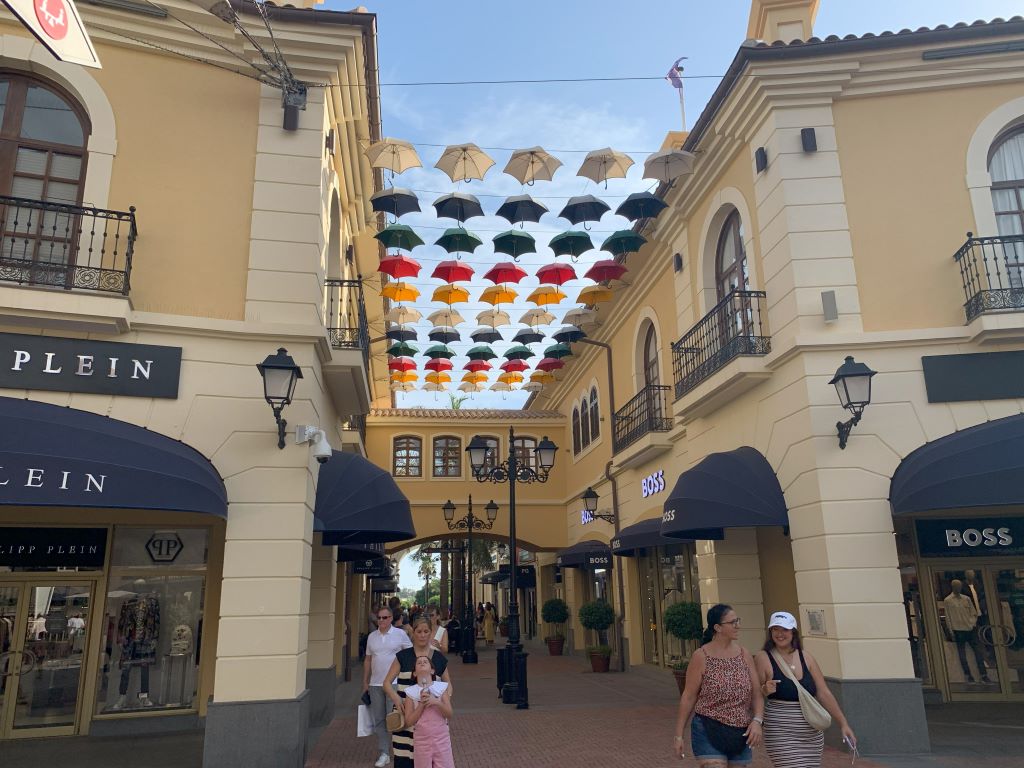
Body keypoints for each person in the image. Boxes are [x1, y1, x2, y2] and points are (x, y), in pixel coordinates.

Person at [754, 611, 856, 768]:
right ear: (770, 632)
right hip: (781, 730)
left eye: (785, 630)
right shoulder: (763, 657)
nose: (780, 634)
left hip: (811, 731)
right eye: (775, 629)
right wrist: (765, 690)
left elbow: (823, 692)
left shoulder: (806, 657)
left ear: (793, 632)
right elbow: (756, 694)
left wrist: (843, 724)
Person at [672, 603, 763, 765]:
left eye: (738, 620)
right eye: (733, 622)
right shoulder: (701, 656)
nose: (738, 626)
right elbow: (688, 696)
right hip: (708, 728)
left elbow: (756, 693)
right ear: (717, 627)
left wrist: (757, 721)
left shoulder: (745, 654)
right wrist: (679, 735)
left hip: (741, 731)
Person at [384, 618, 454, 768]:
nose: (422, 635)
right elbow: (387, 683)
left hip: (431, 720)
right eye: (419, 631)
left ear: (431, 633)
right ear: (413, 633)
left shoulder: (438, 658)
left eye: (426, 631)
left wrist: (443, 701)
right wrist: (396, 698)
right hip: (406, 713)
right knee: (404, 758)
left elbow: (448, 685)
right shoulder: (403, 656)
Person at [363, 606, 413, 768]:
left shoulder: (400, 635)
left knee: (395, 718)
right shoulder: (372, 637)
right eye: (379, 618)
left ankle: (400, 750)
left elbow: (410, 654)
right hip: (375, 684)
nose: (381, 621)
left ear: (391, 618)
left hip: (394, 684)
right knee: (379, 720)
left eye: (385, 618)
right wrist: (365, 681)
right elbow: (368, 660)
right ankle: (384, 752)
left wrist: (409, 676)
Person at [402, 654, 455, 768]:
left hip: (441, 739)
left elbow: (449, 713)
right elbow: (409, 721)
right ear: (415, 673)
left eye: (425, 661)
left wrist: (436, 702)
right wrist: (421, 705)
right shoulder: (411, 693)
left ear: (432, 670)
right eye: (419, 662)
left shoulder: (441, 688)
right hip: (421, 741)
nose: (422, 662)